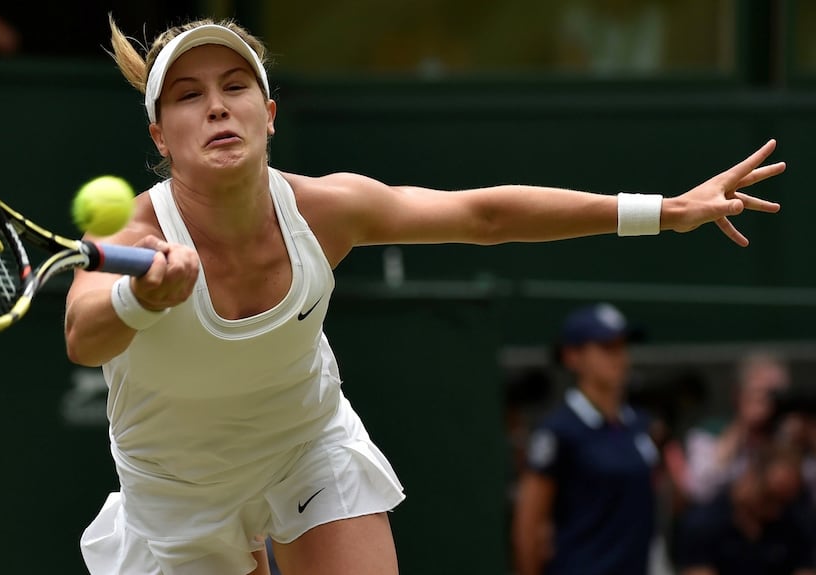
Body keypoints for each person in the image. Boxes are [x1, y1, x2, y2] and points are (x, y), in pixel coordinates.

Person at [62, 14, 785, 575]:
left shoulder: (326, 209)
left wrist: (664, 208)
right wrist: (141, 300)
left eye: (235, 87)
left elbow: (484, 215)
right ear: (161, 133)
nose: (217, 108)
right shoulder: (138, 233)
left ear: (270, 112)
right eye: (190, 96)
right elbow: (82, 332)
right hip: (178, 493)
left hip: (302, 448)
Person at [511, 303, 668, 575]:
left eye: (622, 346)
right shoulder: (558, 431)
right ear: (573, 356)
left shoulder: (639, 423)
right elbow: (528, 526)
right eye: (607, 347)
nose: (619, 357)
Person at [673, 443, 816, 575]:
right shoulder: (704, 523)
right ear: (751, 478)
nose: (776, 510)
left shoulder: (795, 523)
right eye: (770, 498)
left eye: (785, 502)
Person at [681, 350, 793, 504]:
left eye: (776, 395)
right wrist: (742, 427)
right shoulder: (709, 433)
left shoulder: (791, 436)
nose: (769, 403)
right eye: (759, 393)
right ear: (738, 395)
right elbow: (699, 489)